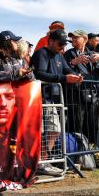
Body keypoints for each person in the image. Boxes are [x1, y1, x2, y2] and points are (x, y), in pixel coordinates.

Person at [31, 29, 82, 176]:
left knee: (54, 129)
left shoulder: (60, 56)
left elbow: (67, 70)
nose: (62, 47)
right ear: (51, 41)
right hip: (40, 97)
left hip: (52, 98)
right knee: (41, 131)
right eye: (60, 43)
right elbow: (39, 74)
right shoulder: (41, 53)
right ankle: (39, 161)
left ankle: (44, 160)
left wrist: (77, 76)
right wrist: (65, 79)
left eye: (64, 44)